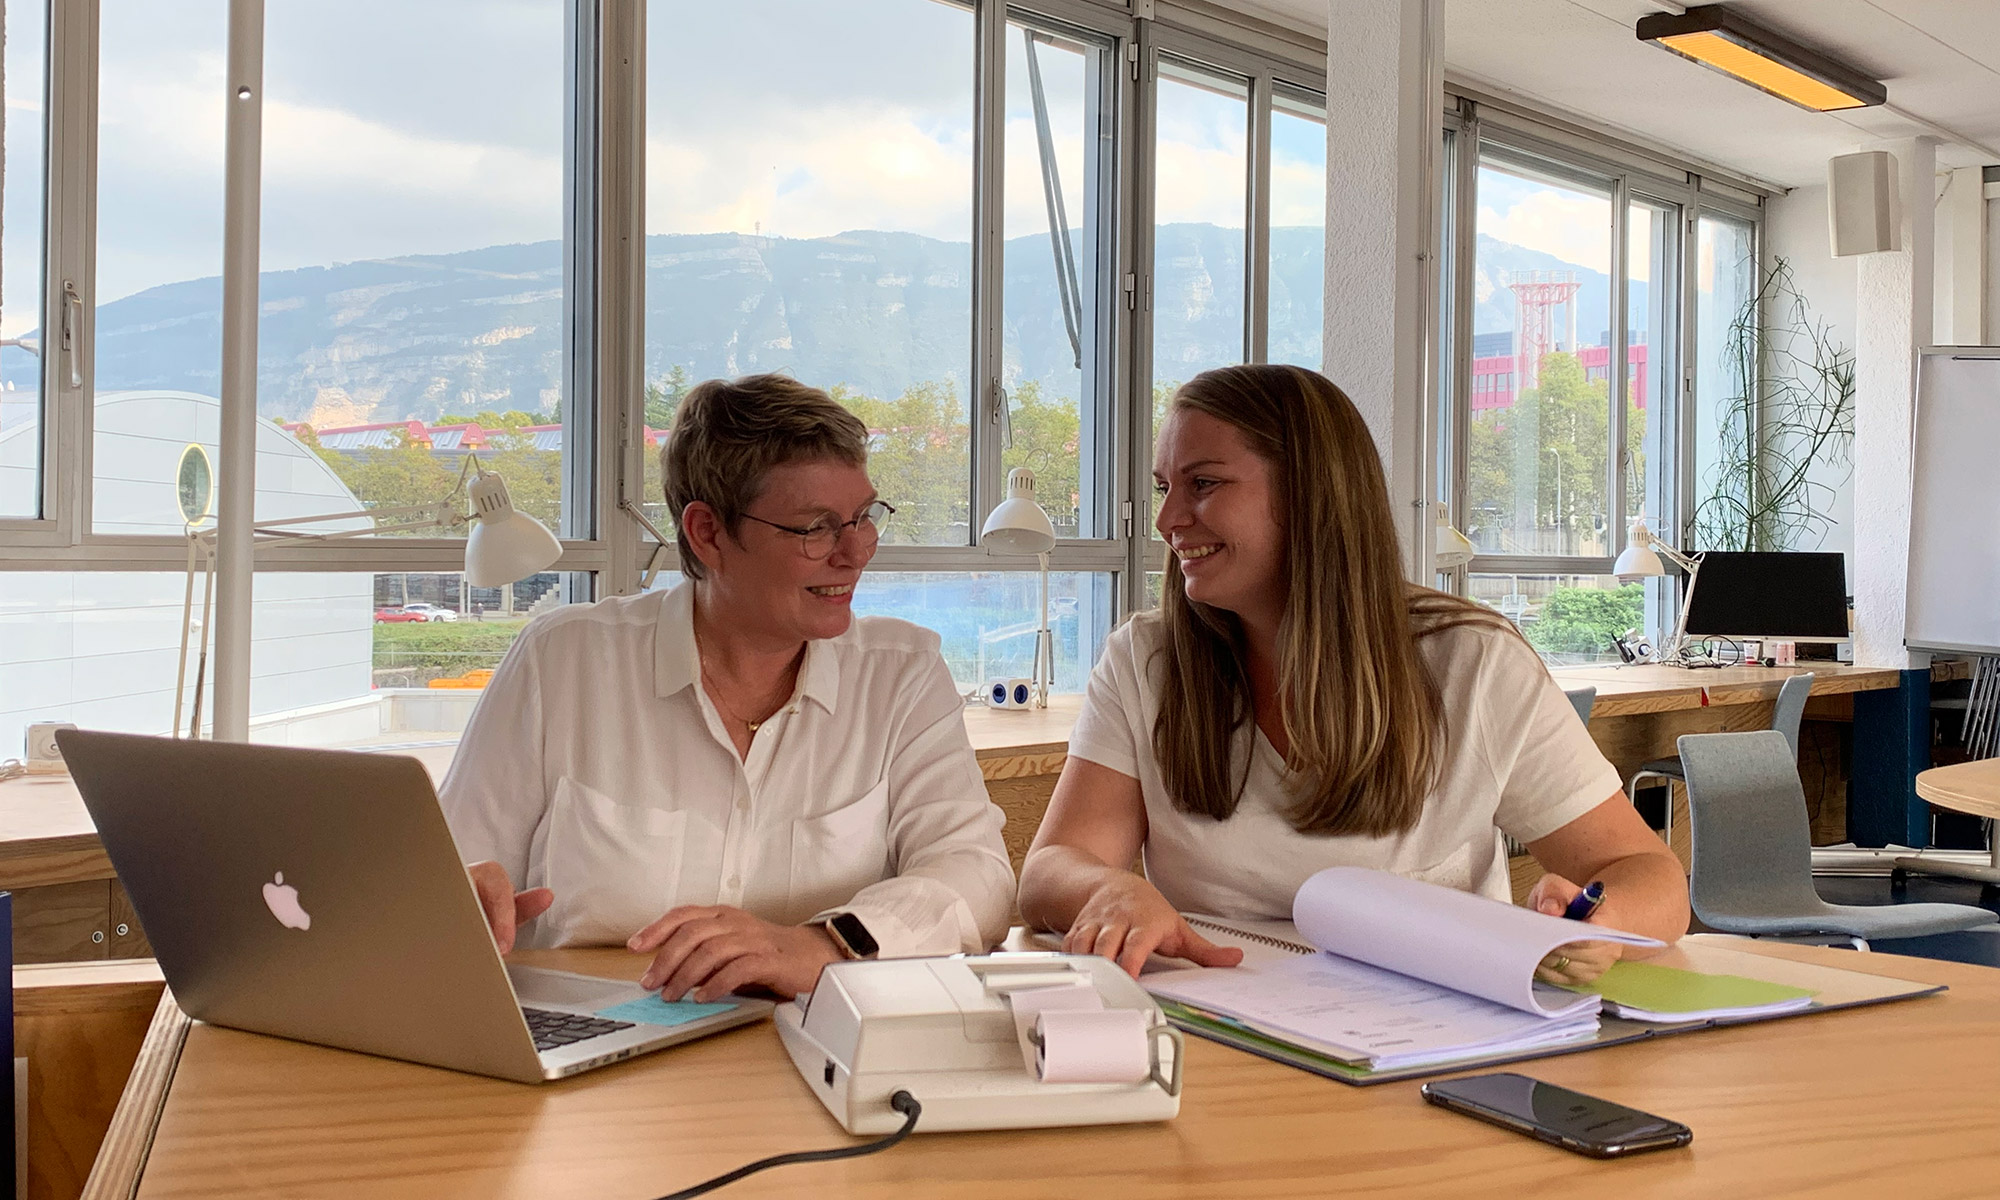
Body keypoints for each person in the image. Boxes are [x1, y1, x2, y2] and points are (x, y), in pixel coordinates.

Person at [1017, 364, 1688, 986]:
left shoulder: (1475, 663)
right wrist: (1109, 888)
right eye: (1165, 488)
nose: (1166, 520)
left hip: (1428, 1045)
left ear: (1309, 494)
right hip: (1221, 1037)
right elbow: (1050, 869)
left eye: (1203, 484)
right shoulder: (1147, 661)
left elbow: (1649, 877)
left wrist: (1601, 925)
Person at [440, 373, 1013, 1003]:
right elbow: (448, 879)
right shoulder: (563, 662)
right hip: (594, 1059)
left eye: (862, 517)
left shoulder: (901, 673)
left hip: (815, 1046)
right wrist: (452, 896)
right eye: (816, 527)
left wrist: (826, 945)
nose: (855, 552)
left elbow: (976, 876)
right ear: (708, 532)